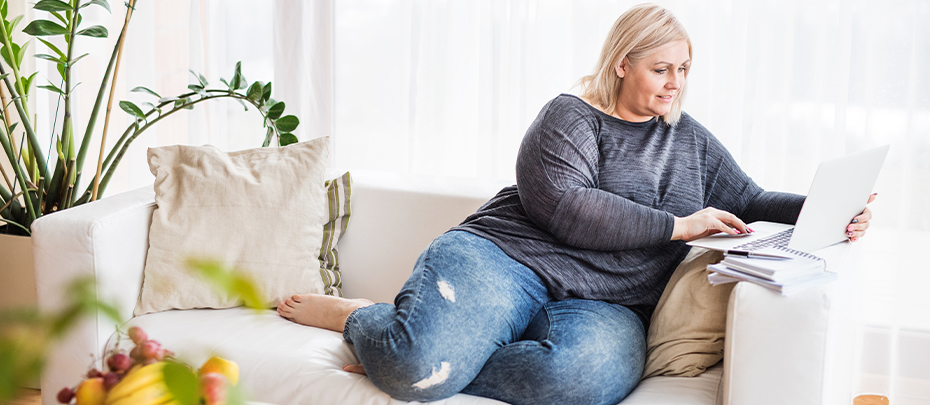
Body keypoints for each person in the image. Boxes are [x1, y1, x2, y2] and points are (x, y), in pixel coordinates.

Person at [277, 4, 875, 405]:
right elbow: (565, 205)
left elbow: (748, 198)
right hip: (506, 259)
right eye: (661, 68)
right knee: (413, 373)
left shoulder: (686, 136)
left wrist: (825, 209)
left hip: (609, 301)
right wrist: (677, 226)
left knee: (587, 379)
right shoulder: (570, 116)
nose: (676, 83)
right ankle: (363, 319)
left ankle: (440, 351)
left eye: (684, 70)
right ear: (622, 64)